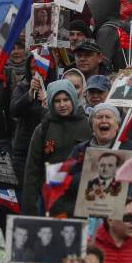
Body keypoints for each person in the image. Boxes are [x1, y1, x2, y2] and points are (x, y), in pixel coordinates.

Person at [22, 80, 91, 215]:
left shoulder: (88, 124)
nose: (62, 105)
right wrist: (29, 209)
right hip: (53, 198)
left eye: (66, 100)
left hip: (81, 197)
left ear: (73, 99)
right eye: (57, 101)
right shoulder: (43, 128)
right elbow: (32, 169)